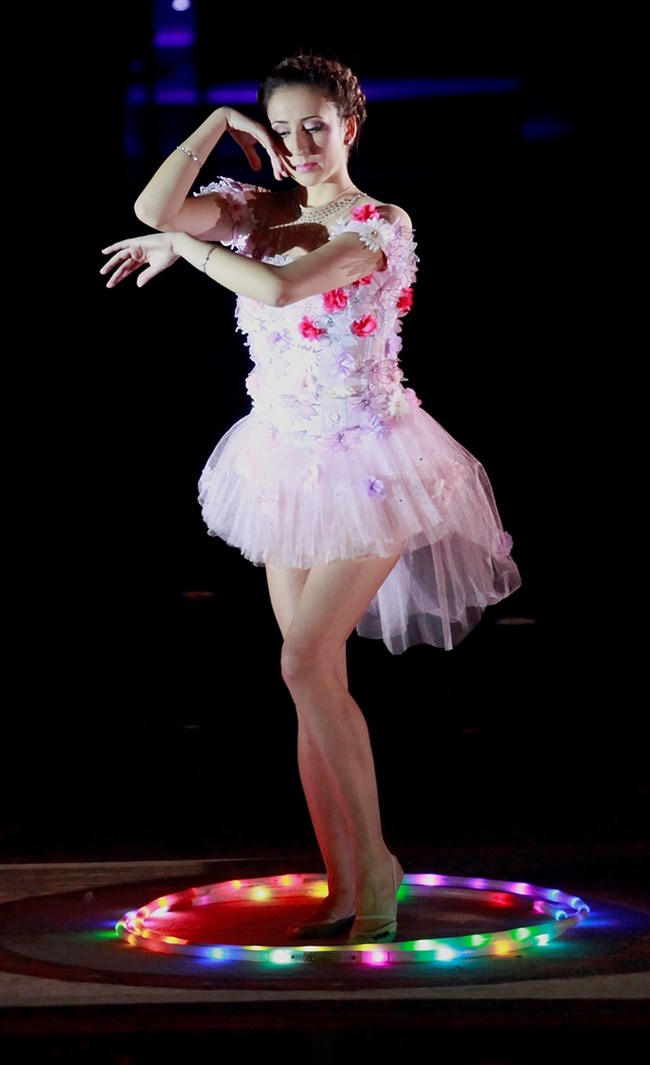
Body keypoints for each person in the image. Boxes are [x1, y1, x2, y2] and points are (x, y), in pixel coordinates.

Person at [100, 53, 521, 944]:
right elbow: (151, 209)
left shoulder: (378, 222)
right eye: (283, 128)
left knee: (303, 660)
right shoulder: (261, 208)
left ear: (350, 127)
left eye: (315, 127)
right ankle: (345, 881)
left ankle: (377, 866)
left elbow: (284, 286)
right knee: (311, 678)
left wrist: (188, 250)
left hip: (372, 460)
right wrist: (216, 123)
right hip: (283, 462)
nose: (297, 145)